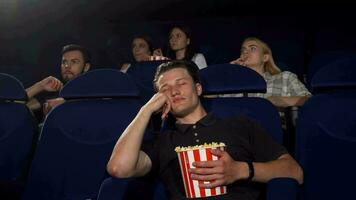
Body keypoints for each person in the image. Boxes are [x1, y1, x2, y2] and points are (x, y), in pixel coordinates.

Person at [107, 60, 303, 200]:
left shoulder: (240, 125)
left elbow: (294, 172)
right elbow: (118, 168)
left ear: (198, 89)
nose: (174, 91)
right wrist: (145, 110)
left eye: (181, 83)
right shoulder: (162, 141)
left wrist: (240, 170)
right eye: (165, 89)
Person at [230, 37, 311, 108]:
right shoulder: (233, 84)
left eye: (253, 48)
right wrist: (228, 72)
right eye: (243, 50)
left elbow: (309, 100)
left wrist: (277, 100)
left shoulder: (285, 78)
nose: (245, 52)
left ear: (265, 57)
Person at [26, 44, 91, 120]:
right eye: (64, 62)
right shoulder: (53, 91)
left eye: (74, 62)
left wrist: (66, 103)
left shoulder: (94, 91)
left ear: (86, 67)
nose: (67, 66)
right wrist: (40, 85)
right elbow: (15, 104)